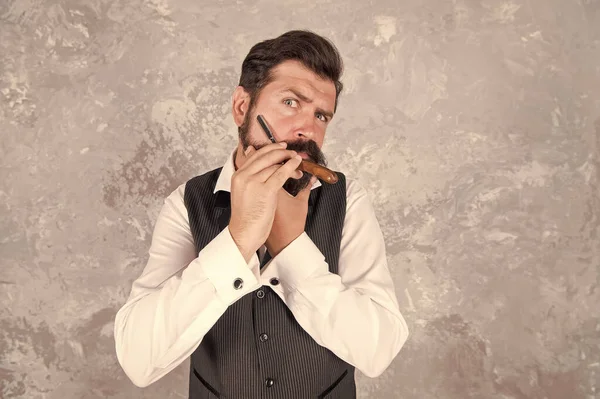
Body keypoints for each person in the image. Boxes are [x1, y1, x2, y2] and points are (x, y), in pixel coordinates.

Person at [114, 29, 409, 399]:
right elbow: (138, 360)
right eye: (290, 102)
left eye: (321, 115)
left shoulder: (348, 201)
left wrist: (291, 249)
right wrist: (237, 243)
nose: (307, 129)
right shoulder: (187, 203)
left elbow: (378, 350)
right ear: (242, 107)